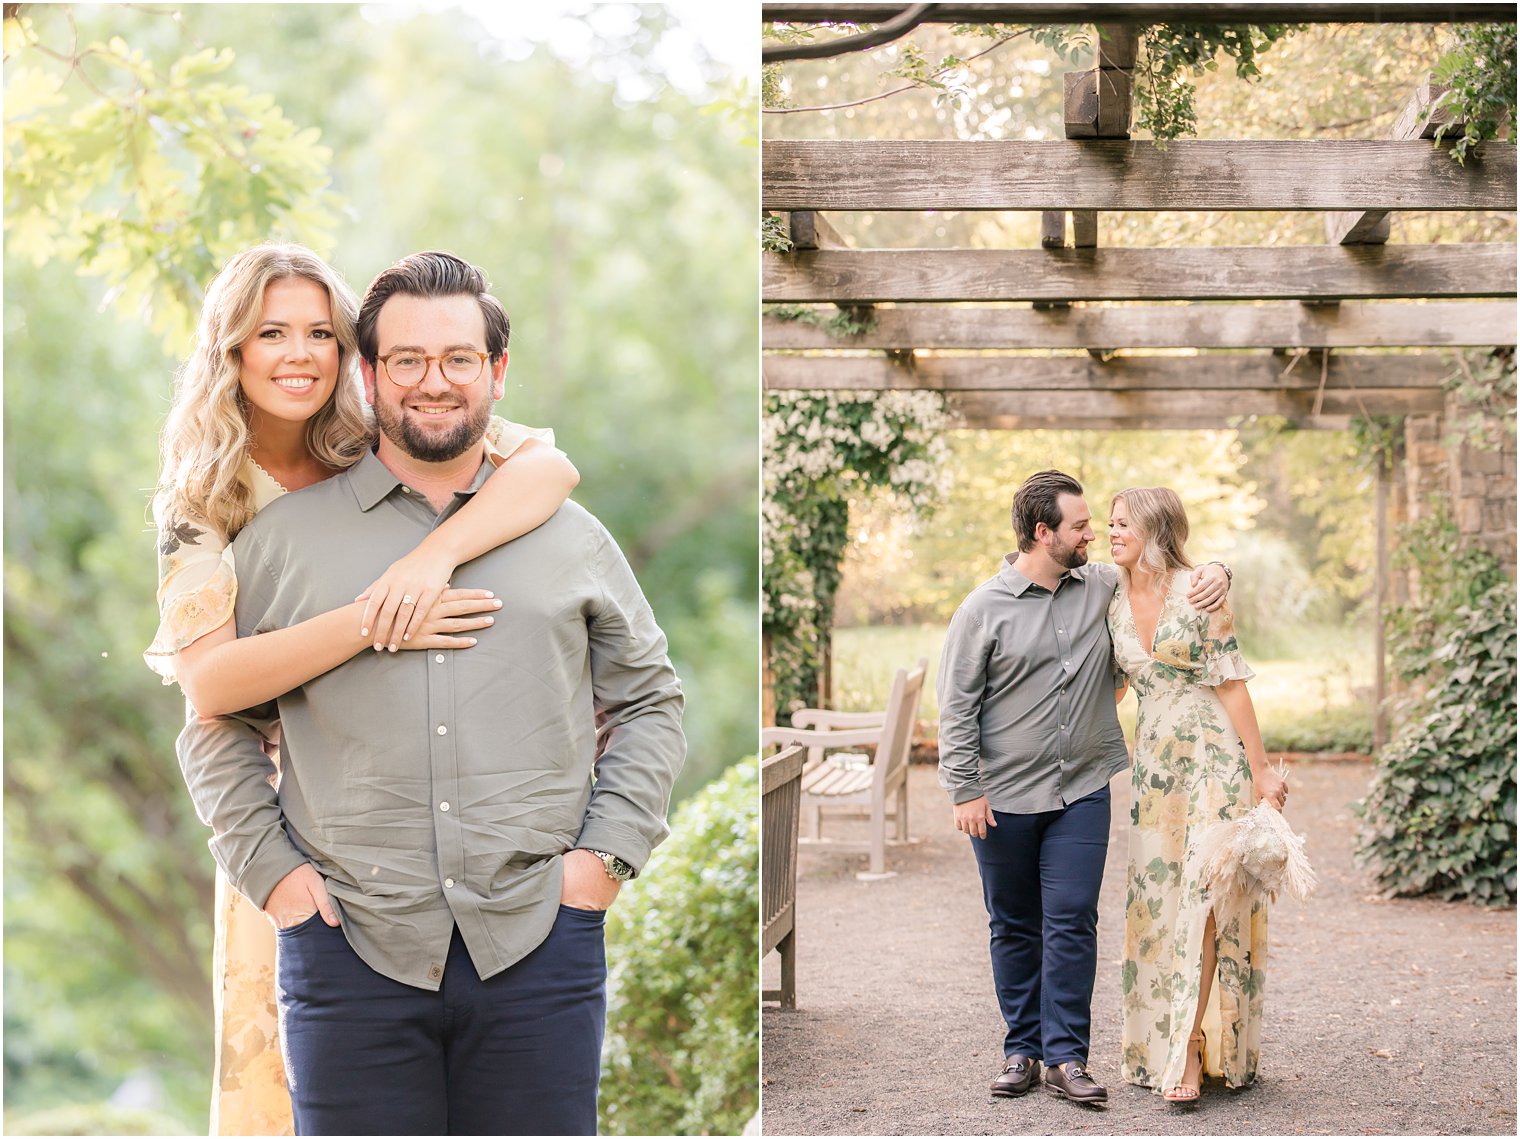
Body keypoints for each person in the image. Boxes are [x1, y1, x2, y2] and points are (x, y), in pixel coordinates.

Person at [175, 250, 685, 1135]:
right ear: (367, 376)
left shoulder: (569, 535)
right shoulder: (277, 541)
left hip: (538, 937)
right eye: (406, 359)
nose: (433, 381)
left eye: (458, 358)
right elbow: (215, 720)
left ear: (497, 370)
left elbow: (650, 701)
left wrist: (598, 866)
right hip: (347, 950)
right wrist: (281, 881)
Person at [937, 469, 1229, 1106]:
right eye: (1080, 527)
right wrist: (964, 789)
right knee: (1013, 923)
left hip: (1081, 790)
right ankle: (1022, 1049)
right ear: (1044, 534)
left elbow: (1169, 568)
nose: (1094, 535)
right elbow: (956, 707)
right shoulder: (981, 609)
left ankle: (1067, 1058)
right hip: (1003, 796)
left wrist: (1220, 569)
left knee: (1071, 920)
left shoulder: (1101, 584)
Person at [1106, 486, 1287, 1103]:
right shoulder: (1109, 597)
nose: (1111, 532)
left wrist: (1261, 772)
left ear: (1156, 528)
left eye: (1122, 523)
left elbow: (1231, 683)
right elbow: (1117, 689)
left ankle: (1189, 1046)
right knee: (1158, 909)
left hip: (1211, 762)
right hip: (1155, 776)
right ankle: (1164, 1038)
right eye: (1108, 523)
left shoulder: (1200, 591)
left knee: (1204, 901)